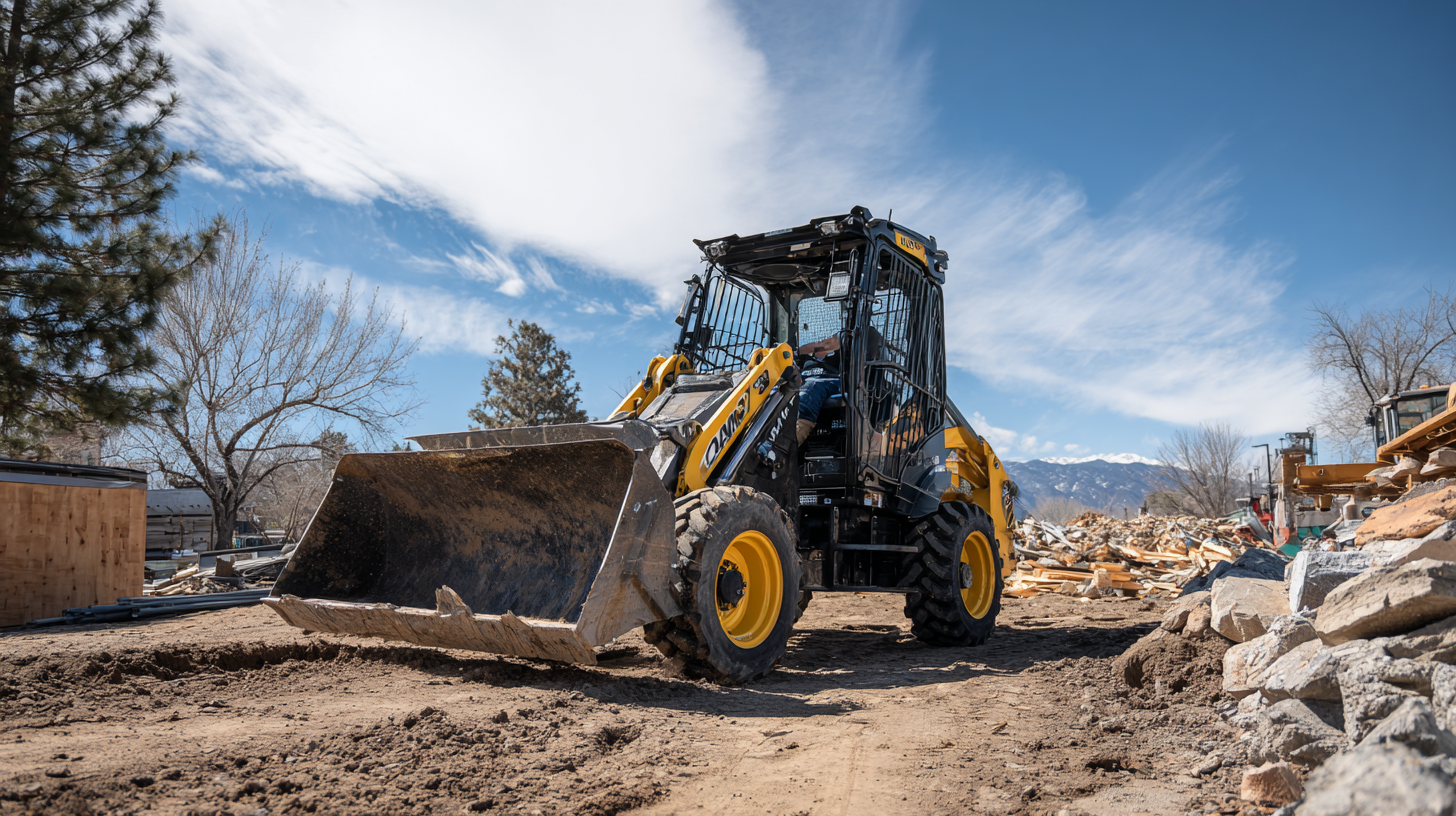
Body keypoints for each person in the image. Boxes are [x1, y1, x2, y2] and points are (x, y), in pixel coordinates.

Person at [795, 334, 842, 445]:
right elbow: (795, 352)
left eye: (831, 339)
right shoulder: (804, 358)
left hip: (829, 380)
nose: (824, 340)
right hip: (803, 382)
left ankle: (795, 437)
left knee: (811, 387)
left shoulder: (840, 355)